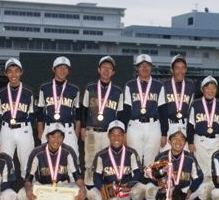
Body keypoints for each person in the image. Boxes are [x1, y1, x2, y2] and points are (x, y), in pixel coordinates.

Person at [18, 123, 87, 200]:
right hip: (43, 187)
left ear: (63, 138)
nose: (56, 140)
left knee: (81, 190)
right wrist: (28, 190)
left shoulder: (68, 151)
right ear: (47, 137)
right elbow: (28, 178)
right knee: (22, 195)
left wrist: (82, 189)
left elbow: (77, 175)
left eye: (60, 137)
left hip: (61, 186)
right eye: (53, 136)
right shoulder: (37, 152)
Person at [145, 126, 208, 200]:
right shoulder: (161, 157)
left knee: (206, 188)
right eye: (175, 138)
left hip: (184, 192)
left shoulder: (190, 158)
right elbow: (151, 175)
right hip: (165, 192)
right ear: (169, 141)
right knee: (149, 189)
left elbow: (199, 177)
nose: (178, 141)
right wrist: (157, 182)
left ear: (185, 142)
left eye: (182, 139)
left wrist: (191, 190)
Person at [87, 121, 146, 200]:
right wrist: (102, 188)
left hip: (126, 188)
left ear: (123, 136)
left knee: (141, 189)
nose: (116, 138)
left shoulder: (131, 152)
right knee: (92, 196)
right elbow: (96, 176)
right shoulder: (101, 155)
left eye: (119, 134)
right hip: (110, 188)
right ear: (108, 136)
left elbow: (138, 173)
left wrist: (130, 185)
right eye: (113, 134)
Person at [80, 56, 124, 188]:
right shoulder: (90, 88)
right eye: (104, 67)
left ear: (113, 72)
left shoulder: (118, 91)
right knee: (89, 162)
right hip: (92, 131)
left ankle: (107, 191)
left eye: (109, 68)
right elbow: (84, 109)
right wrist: (82, 127)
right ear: (99, 70)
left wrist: (118, 134)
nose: (106, 70)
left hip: (108, 134)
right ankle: (89, 190)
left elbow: (120, 114)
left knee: (108, 162)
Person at [123, 54, 166, 168]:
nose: (144, 68)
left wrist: (164, 133)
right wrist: (124, 131)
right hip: (134, 125)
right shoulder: (130, 85)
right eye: (141, 65)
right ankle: (135, 179)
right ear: (137, 68)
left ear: (151, 67)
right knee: (133, 159)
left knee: (151, 161)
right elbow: (126, 109)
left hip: (153, 126)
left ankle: (148, 179)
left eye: (147, 65)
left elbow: (162, 110)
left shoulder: (158, 85)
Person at [0, 58, 35, 178]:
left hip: (24, 129)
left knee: (27, 163)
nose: (13, 74)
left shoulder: (29, 91)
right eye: (10, 71)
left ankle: (27, 185)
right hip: (6, 129)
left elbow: (32, 113)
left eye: (16, 71)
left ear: (21, 72)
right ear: (6, 73)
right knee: (4, 161)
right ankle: (5, 186)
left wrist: (26, 127)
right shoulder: (1, 93)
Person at [187, 76, 219, 192]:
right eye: (207, 88)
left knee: (214, 167)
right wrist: (190, 142)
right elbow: (190, 125)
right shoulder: (195, 104)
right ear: (202, 89)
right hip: (200, 140)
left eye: (213, 88)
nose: (211, 90)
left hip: (216, 140)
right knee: (201, 168)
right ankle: (200, 194)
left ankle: (212, 193)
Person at [36, 56, 81, 155]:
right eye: (59, 67)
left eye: (66, 68)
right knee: (46, 158)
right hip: (49, 128)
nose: (62, 70)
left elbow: (78, 113)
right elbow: (40, 110)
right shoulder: (44, 88)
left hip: (68, 129)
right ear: (54, 69)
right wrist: (40, 130)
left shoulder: (74, 89)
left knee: (73, 158)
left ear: (69, 71)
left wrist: (76, 132)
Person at [160, 55, 195, 149]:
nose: (180, 71)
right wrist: (163, 133)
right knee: (165, 155)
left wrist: (190, 136)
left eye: (183, 68)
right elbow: (161, 111)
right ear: (172, 70)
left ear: (186, 69)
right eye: (177, 68)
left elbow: (191, 111)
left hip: (184, 125)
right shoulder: (164, 85)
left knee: (185, 156)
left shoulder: (190, 85)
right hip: (169, 125)